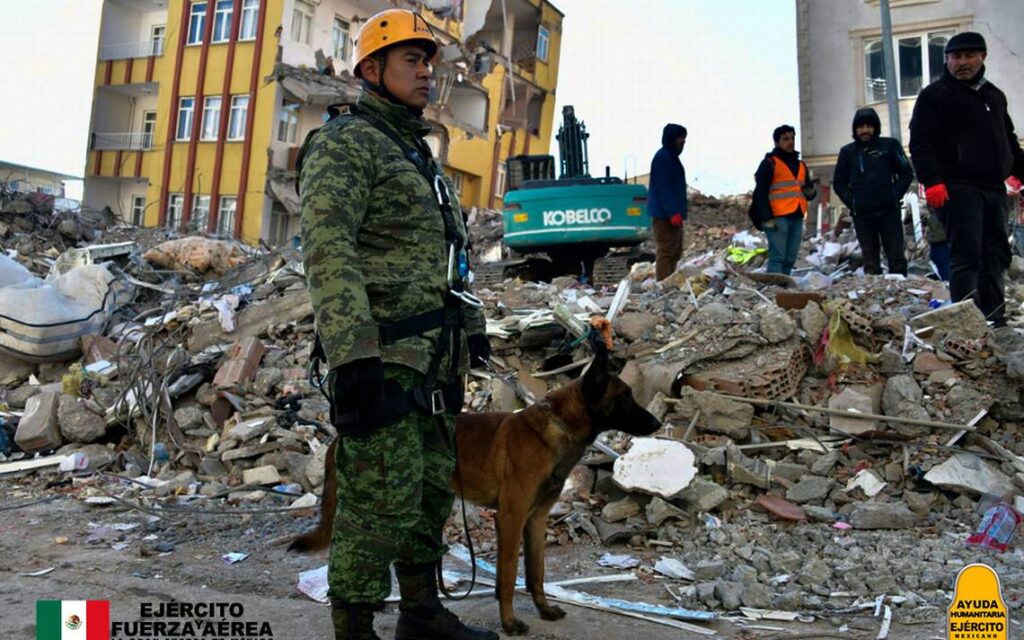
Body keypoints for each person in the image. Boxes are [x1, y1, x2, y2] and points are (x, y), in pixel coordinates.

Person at [299, 10, 496, 640]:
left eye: (429, 61)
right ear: (371, 69)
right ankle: (354, 627)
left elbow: (449, 253)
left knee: (430, 492)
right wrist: (352, 358)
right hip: (383, 358)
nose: (426, 72)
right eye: (412, 60)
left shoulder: (418, 152)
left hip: (435, 358)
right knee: (374, 502)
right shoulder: (346, 143)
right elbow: (330, 253)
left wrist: (471, 330)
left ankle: (421, 614)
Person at [909, 31, 1024, 326]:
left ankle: (994, 320)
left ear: (982, 57)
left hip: (993, 189)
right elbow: (921, 142)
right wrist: (931, 180)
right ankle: (967, 322)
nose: (963, 62)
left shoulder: (994, 96)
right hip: (957, 187)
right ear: (946, 59)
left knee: (995, 255)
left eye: (970, 56)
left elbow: (1008, 141)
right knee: (967, 255)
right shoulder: (934, 95)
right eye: (956, 57)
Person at [832, 107, 914, 275]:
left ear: (875, 127)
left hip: (889, 211)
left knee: (896, 256)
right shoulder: (848, 152)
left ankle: (900, 292)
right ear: (855, 129)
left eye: (869, 126)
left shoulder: (890, 146)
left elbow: (906, 172)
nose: (865, 130)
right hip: (862, 215)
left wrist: (894, 194)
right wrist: (853, 202)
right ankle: (875, 295)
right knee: (870, 259)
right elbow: (839, 183)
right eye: (861, 127)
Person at [751, 125, 817, 275]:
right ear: (777, 142)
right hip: (777, 217)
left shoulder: (801, 165)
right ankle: (775, 288)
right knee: (777, 256)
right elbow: (760, 193)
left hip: (797, 215)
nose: (790, 142)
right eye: (785, 139)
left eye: (792, 138)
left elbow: (808, 191)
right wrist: (767, 217)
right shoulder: (770, 163)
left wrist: (810, 192)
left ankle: (784, 287)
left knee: (790, 257)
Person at [647, 123, 688, 281]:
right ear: (672, 138)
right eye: (680, 138)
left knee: (675, 250)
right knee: (666, 250)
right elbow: (663, 188)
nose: (683, 142)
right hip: (665, 215)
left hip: (672, 214)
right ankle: (663, 283)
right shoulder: (663, 158)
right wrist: (672, 212)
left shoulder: (671, 158)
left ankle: (669, 280)